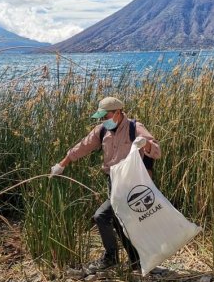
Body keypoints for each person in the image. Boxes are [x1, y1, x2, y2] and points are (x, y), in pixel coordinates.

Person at [50, 96, 161, 272]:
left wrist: (146, 144)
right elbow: (82, 147)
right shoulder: (102, 130)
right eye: (101, 117)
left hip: (131, 183)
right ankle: (136, 261)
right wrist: (61, 165)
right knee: (117, 220)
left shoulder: (135, 128)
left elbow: (156, 151)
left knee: (101, 216)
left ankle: (111, 258)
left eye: (106, 116)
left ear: (118, 113)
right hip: (113, 182)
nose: (103, 121)